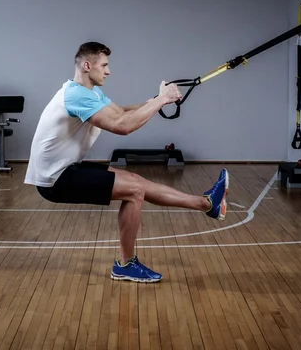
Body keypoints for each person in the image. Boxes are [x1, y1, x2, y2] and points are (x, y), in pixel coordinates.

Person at [24, 41, 229, 283]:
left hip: (65, 168)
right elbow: (123, 127)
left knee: (136, 182)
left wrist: (158, 99)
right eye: (104, 65)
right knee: (134, 191)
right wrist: (160, 101)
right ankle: (125, 264)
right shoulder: (77, 96)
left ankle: (207, 204)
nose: (108, 71)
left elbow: (120, 113)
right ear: (88, 66)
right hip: (54, 179)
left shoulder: (89, 92)